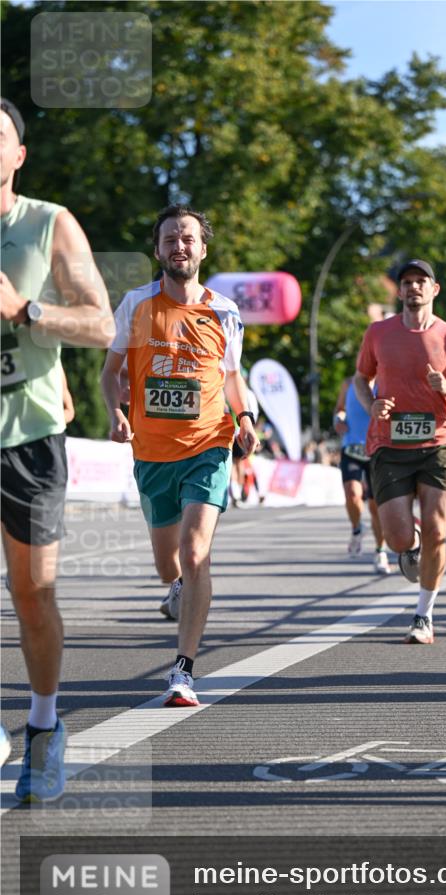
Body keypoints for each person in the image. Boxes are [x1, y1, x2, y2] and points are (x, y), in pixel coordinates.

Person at [0, 98, 114, 801]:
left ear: (17, 154)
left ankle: (44, 726)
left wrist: (27, 310)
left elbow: (101, 323)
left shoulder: (47, 222)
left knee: (32, 595)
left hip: (27, 433)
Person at [100, 204, 258, 706]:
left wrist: (247, 418)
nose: (179, 245)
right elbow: (110, 373)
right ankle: (176, 590)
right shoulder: (135, 305)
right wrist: (115, 412)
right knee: (168, 564)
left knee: (195, 554)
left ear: (203, 249)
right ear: (158, 249)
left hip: (209, 443)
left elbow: (233, 377)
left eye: (187, 237)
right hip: (151, 452)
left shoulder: (225, 311)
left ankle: (183, 672)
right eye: (170, 238)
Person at [354, 259, 446, 644]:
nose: (414, 288)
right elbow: (362, 378)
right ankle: (409, 547)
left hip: (437, 446)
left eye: (421, 282)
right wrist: (371, 405)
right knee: (397, 538)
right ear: (399, 291)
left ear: (434, 289)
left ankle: (423, 615)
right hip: (389, 446)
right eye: (407, 282)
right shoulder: (378, 333)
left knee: (437, 529)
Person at [333, 375, 391, 574]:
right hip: (352, 448)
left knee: (376, 507)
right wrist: (337, 420)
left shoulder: (386, 383)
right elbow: (339, 409)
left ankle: (380, 551)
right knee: (352, 494)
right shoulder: (348, 383)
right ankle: (357, 528)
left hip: (377, 451)